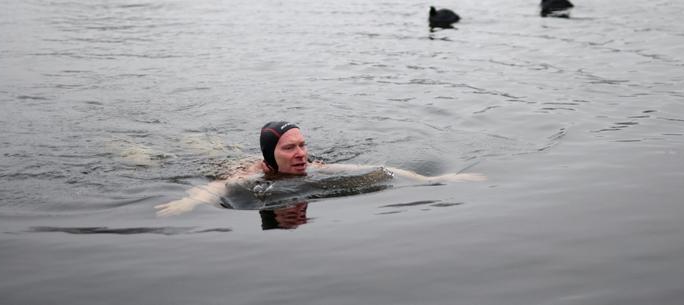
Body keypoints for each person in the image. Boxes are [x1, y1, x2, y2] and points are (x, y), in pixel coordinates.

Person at [154, 121, 484, 216]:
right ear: (272, 156)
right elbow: (218, 187)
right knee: (151, 154)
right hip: (230, 165)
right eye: (289, 148)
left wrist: (438, 179)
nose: (300, 154)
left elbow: (376, 167)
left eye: (302, 145)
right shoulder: (255, 175)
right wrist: (189, 201)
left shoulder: (313, 166)